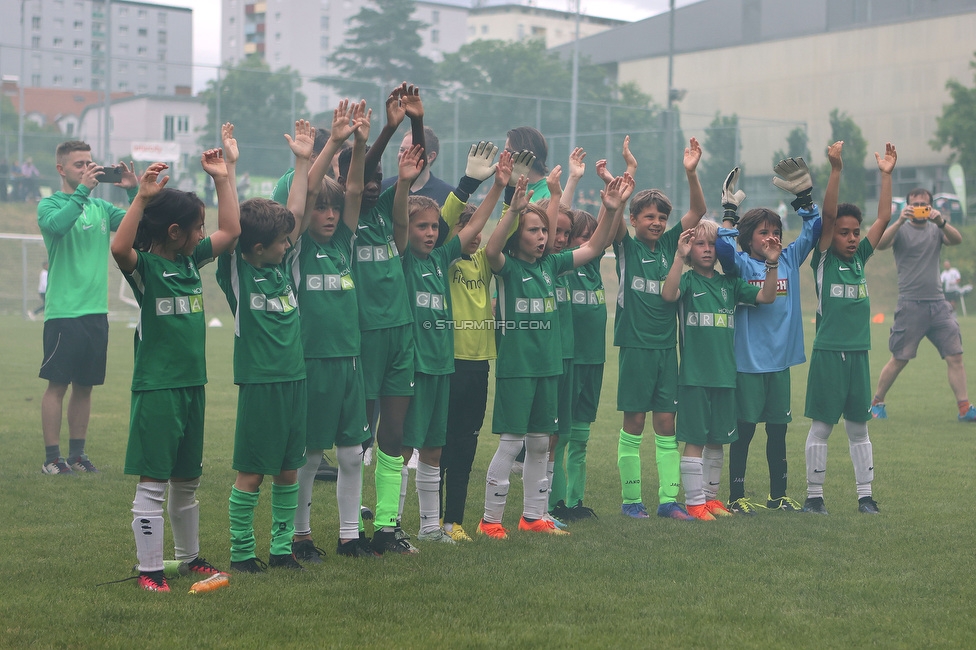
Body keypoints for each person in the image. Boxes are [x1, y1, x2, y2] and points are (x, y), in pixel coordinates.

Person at [110, 125, 241, 592]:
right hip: (158, 388)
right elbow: (119, 248)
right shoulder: (148, 269)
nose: (203, 235)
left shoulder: (189, 262)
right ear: (174, 232)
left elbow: (231, 230)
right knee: (153, 483)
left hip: (192, 384)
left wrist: (222, 178)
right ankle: (149, 572)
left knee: (187, 480)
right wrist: (141, 199)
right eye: (196, 228)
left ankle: (189, 559)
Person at [478, 171, 632, 539]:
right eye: (534, 230)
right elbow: (491, 251)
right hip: (518, 370)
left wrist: (610, 211)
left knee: (538, 444)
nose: (543, 236)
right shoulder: (510, 269)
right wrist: (512, 212)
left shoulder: (551, 265)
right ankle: (490, 520)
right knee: (512, 443)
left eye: (544, 231)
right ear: (518, 235)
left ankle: (533, 516)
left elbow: (593, 248)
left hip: (549, 369)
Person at [215, 120, 315, 572]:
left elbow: (292, 211)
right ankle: (241, 552)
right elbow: (231, 228)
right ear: (257, 247)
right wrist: (228, 172)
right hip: (259, 383)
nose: (287, 244)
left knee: (289, 470)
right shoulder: (239, 269)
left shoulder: (283, 267)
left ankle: (280, 549)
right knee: (253, 472)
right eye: (280, 242)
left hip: (295, 380)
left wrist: (302, 159)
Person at [400, 146, 508, 545]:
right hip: (427, 366)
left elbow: (483, 225)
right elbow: (448, 222)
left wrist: (498, 188)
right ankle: (390, 523)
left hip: (461, 366)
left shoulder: (461, 259)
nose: (431, 234)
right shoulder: (423, 261)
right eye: (423, 227)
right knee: (412, 446)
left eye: (433, 228)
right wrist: (466, 185)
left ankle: (440, 525)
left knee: (447, 448)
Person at [289, 100, 378, 562]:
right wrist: (332, 146)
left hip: (350, 364)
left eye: (333, 208)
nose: (328, 215)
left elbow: (356, 188)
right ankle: (300, 536)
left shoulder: (344, 242)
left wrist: (359, 145)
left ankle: (349, 537)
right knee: (308, 457)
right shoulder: (299, 247)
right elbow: (302, 195)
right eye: (320, 208)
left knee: (349, 455)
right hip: (312, 364)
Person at [715, 162, 825, 515]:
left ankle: (778, 496)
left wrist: (804, 198)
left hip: (779, 364)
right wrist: (729, 214)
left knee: (778, 432)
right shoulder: (744, 263)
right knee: (744, 432)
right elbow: (723, 252)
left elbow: (815, 228)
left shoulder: (789, 259)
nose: (771, 237)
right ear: (748, 238)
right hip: (748, 364)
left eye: (775, 230)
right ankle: (737, 496)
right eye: (763, 232)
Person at [662, 219, 781, 520]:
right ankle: (693, 503)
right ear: (690, 249)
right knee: (696, 440)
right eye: (699, 244)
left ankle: (711, 499)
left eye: (711, 244)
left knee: (717, 440)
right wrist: (678, 256)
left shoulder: (729, 284)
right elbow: (668, 294)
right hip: (694, 377)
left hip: (726, 377)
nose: (706, 249)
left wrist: (772, 264)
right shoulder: (688, 281)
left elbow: (767, 297)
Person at [802, 141, 897, 516]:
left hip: (858, 354)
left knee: (859, 429)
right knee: (822, 428)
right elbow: (826, 217)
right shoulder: (823, 258)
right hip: (828, 354)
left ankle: (865, 497)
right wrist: (836, 170)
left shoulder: (860, 259)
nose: (852, 237)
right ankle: (814, 497)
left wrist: (885, 175)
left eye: (855, 232)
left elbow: (884, 217)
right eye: (845, 232)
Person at [611, 137, 704, 520]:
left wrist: (691, 172)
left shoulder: (669, 245)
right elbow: (612, 217)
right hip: (635, 346)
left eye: (661, 218)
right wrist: (627, 174)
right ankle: (632, 500)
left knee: (667, 424)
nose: (656, 223)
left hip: (668, 349)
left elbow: (698, 210)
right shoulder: (625, 247)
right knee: (633, 423)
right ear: (634, 221)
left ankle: (668, 500)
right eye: (648, 217)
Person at [37, 140, 137, 475]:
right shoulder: (48, 205)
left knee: (85, 386)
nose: (87, 169)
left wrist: (134, 193)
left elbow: (138, 227)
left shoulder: (101, 210)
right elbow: (58, 226)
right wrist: (83, 191)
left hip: (96, 313)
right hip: (64, 312)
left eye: (90, 163)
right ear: (61, 169)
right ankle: (52, 458)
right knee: (57, 385)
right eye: (79, 164)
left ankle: (77, 455)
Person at [870, 191, 974, 422]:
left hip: (938, 305)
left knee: (955, 355)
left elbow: (957, 239)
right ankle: (877, 402)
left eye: (924, 205)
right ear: (907, 206)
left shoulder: (937, 228)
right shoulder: (902, 229)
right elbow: (880, 244)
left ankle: (965, 408)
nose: (919, 208)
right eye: (915, 204)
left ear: (931, 207)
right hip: (910, 304)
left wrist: (942, 221)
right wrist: (899, 220)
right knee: (899, 358)